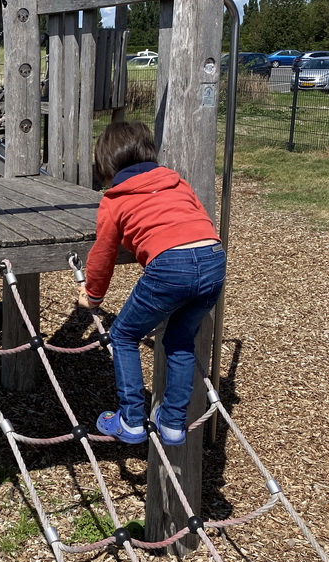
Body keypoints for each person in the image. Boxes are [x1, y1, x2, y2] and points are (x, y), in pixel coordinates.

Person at [78, 121, 226, 446]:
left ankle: (131, 419)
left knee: (123, 334)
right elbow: (198, 221)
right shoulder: (177, 183)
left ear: (106, 167)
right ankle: (173, 422)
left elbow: (102, 254)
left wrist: (92, 296)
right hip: (214, 258)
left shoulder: (114, 199)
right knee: (179, 340)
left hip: (171, 266)